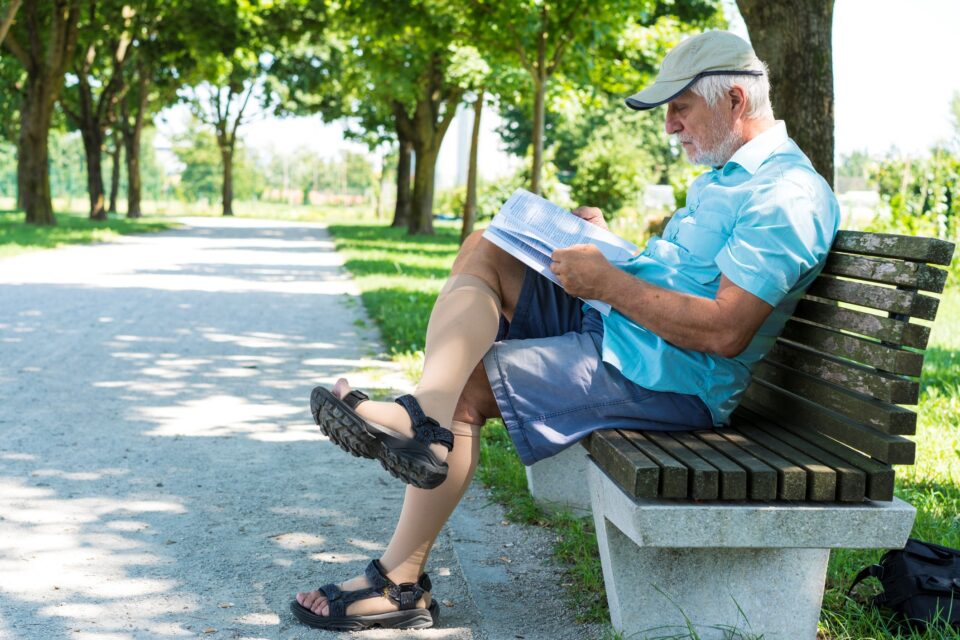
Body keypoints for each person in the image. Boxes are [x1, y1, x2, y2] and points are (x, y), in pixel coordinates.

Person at [291, 30, 841, 630]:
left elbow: (726, 331)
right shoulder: (729, 177)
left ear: (735, 100)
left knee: (472, 387)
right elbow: (691, 280)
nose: (670, 127)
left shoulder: (785, 195)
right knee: (488, 247)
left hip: (670, 376)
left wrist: (611, 282)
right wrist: (607, 248)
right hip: (628, 330)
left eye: (679, 108)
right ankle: (425, 416)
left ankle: (399, 580)